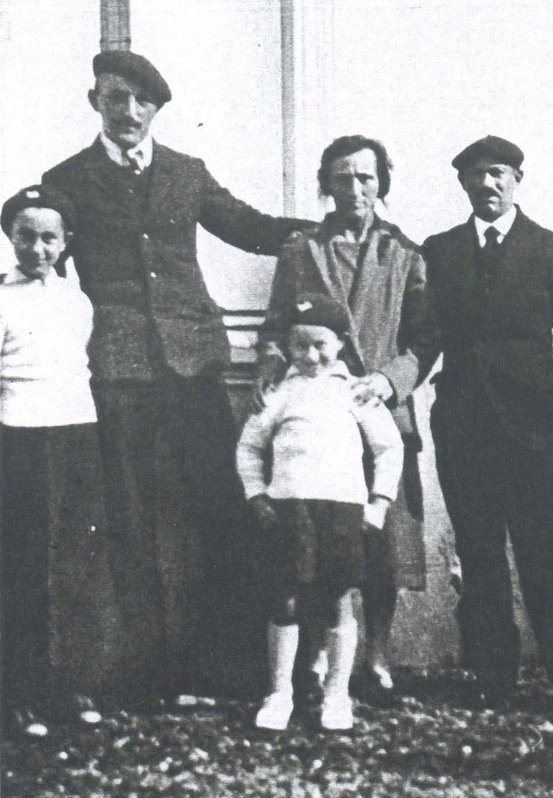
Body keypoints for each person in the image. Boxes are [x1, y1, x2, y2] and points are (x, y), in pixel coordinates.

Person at [42, 51, 311, 705]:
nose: (127, 112)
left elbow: (249, 228)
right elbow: (41, 254)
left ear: (157, 108)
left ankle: (234, 670)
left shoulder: (187, 173)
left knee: (224, 509)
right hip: (118, 369)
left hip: (196, 363)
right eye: (113, 98)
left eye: (139, 100)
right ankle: (142, 675)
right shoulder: (66, 180)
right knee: (127, 519)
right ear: (94, 102)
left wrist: (330, 232)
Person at [419, 135, 553, 725]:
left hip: (535, 427)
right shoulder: (441, 251)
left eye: (497, 174)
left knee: (550, 553)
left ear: (517, 179)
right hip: (464, 427)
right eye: (476, 176)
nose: (487, 185)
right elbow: (426, 333)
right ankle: (492, 679)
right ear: (464, 186)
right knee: (479, 556)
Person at [256, 135, 427, 704]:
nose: (354, 189)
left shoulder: (405, 254)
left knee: (383, 543)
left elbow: (425, 339)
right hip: (317, 416)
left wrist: (388, 380)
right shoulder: (302, 248)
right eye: (342, 178)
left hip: (378, 414)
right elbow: (279, 325)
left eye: (367, 178)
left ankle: (374, 656)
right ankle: (319, 655)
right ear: (325, 183)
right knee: (315, 540)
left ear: (383, 183)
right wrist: (272, 362)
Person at [237, 294, 404, 730]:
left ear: (341, 344)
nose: (311, 356)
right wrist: (256, 494)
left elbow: (389, 447)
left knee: (337, 601)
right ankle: (279, 694)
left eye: (321, 345)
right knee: (285, 599)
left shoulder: (356, 391)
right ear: (288, 347)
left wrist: (378, 505)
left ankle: (337, 695)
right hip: (289, 510)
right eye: (300, 345)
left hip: (343, 512)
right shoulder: (277, 392)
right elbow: (250, 447)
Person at [0, 186, 113, 736]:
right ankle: (18, 693)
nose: (37, 248)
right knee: (22, 566)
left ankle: (68, 685)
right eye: (26, 236)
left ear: (66, 241)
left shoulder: (77, 299)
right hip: (20, 440)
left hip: (75, 437)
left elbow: (77, 367)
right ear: (10, 238)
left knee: (74, 563)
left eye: (49, 237)